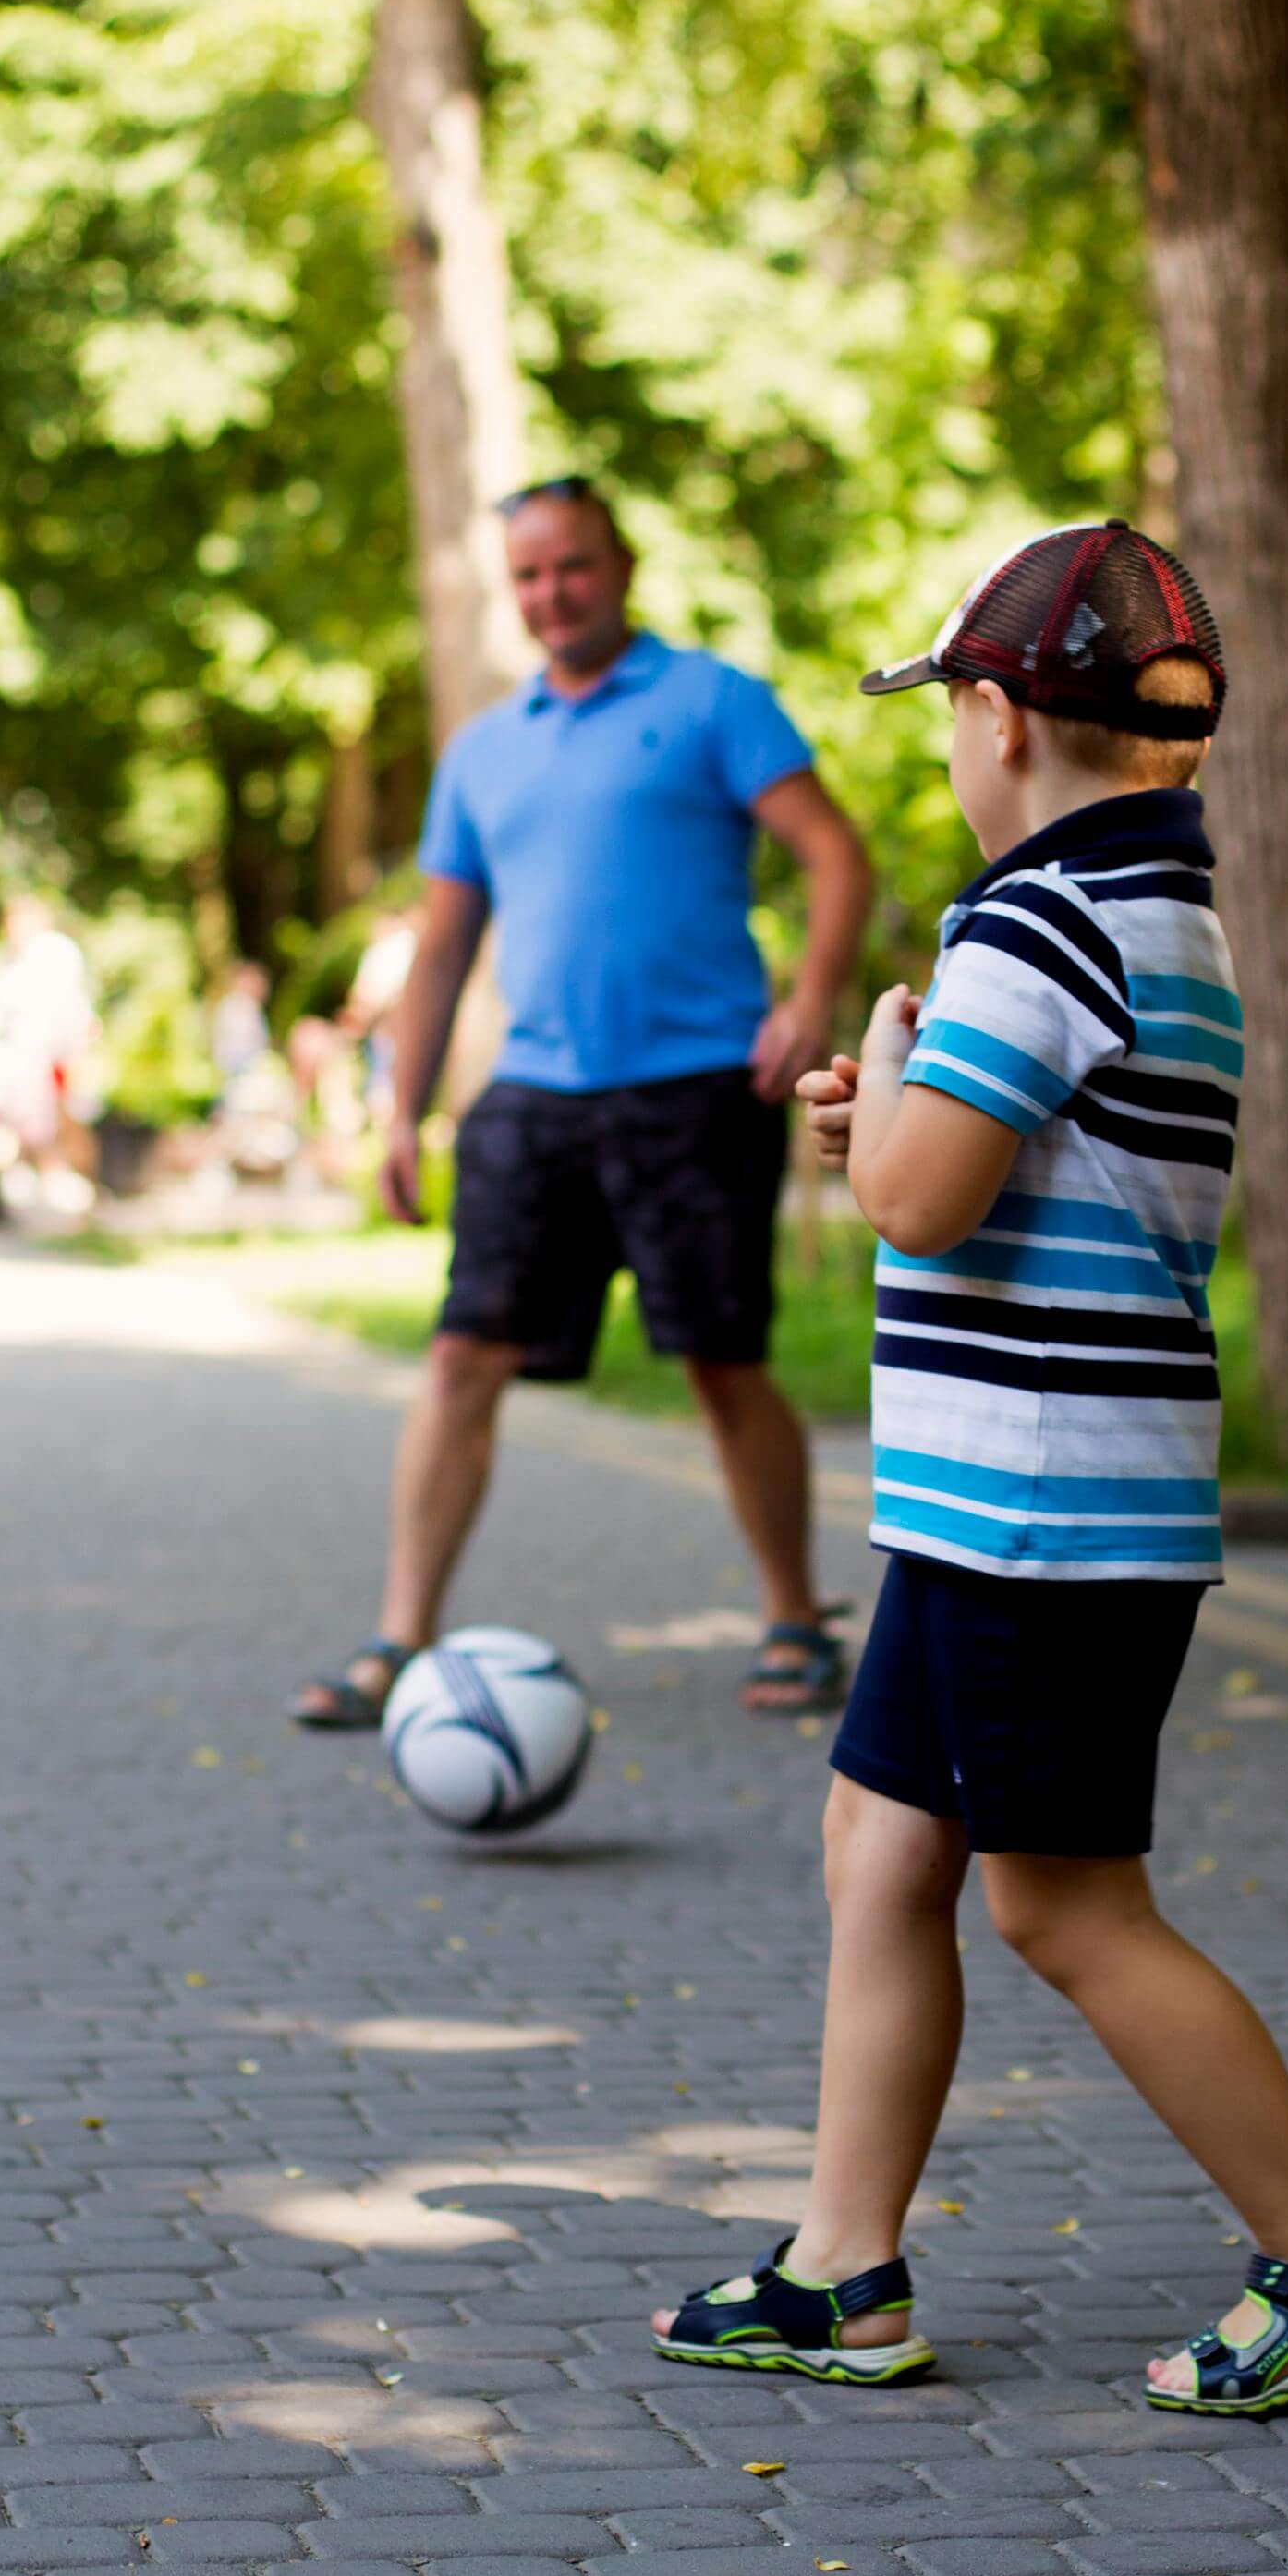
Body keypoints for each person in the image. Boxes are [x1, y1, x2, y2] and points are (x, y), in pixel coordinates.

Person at [649, 523, 1288, 2416]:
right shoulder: (1164, 911)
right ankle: (845, 2270)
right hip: (1006, 1497)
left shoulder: (1034, 922)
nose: (946, 749)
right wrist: (922, 1086)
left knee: (1062, 1903)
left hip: (1041, 1506)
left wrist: (891, 1061)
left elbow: (921, 1202)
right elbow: (1020, 1161)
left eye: (947, 717)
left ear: (999, 718)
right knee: (882, 1844)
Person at [295, 477, 877, 1731]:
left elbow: (836, 853)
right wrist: (399, 1111)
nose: (552, 593)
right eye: (528, 576)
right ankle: (401, 1640)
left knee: (725, 1366)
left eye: (572, 566)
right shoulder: (485, 749)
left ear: (621, 565)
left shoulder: (714, 701)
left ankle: (794, 1616)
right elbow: (444, 949)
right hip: (537, 1099)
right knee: (462, 1357)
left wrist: (813, 995)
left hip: (699, 1089)